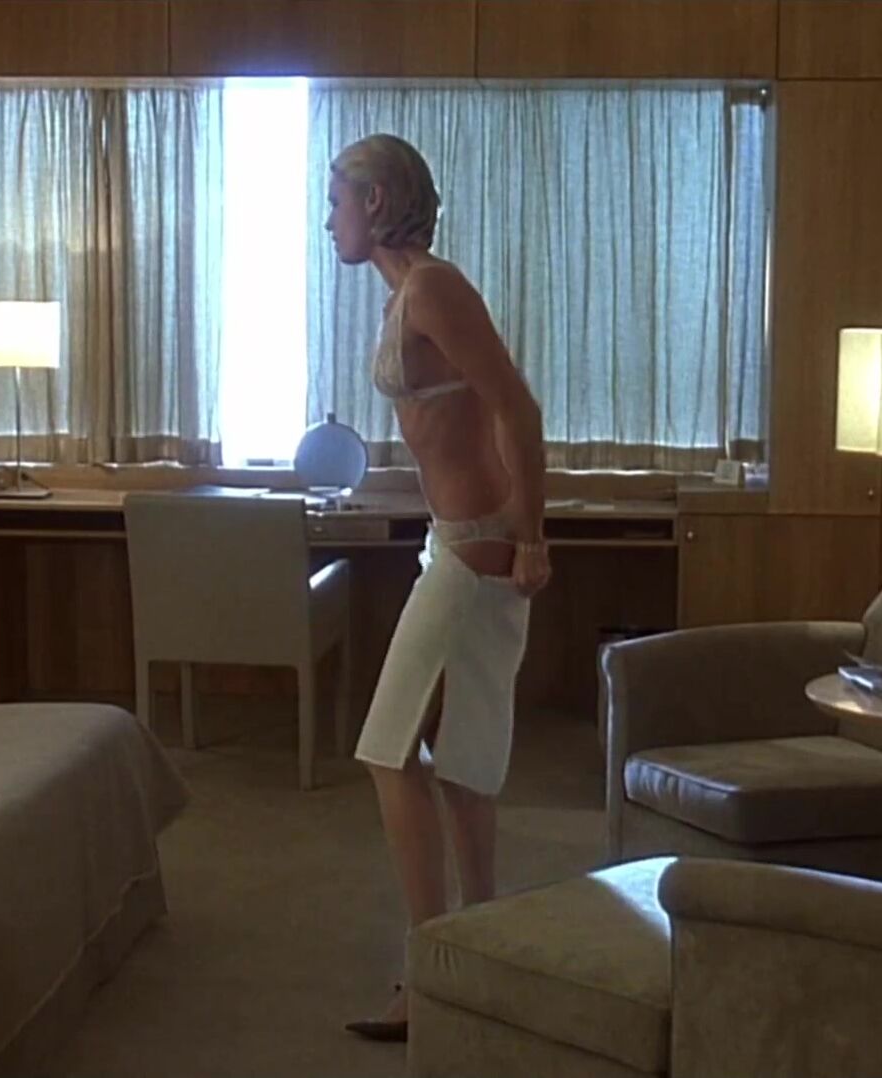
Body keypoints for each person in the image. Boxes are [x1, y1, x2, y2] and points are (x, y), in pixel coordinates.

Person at [325, 134, 550, 1043]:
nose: (328, 221)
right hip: (454, 541)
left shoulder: (433, 288)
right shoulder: (406, 295)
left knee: (389, 750)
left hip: (476, 546)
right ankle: (479, 959)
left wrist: (531, 535)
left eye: (336, 201)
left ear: (375, 202)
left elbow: (517, 406)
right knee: (464, 763)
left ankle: (431, 977)